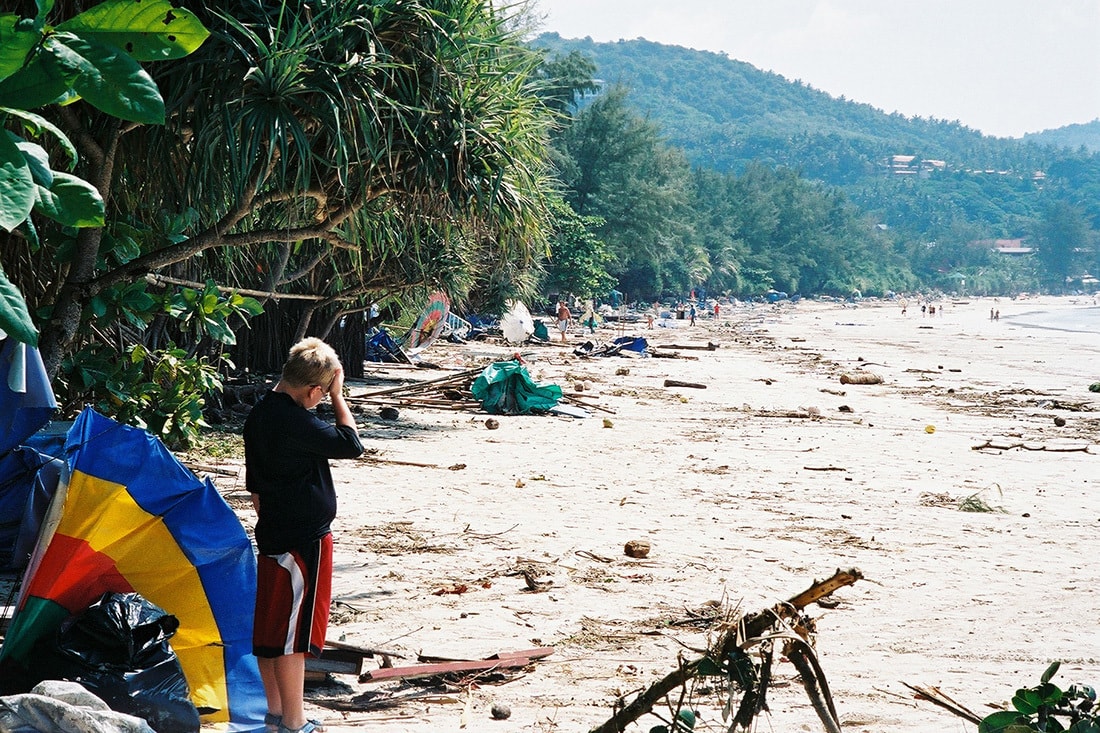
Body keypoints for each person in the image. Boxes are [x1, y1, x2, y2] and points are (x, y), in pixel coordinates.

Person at [244, 338, 364, 733]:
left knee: (270, 629)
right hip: (302, 541)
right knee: (293, 634)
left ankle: (277, 714)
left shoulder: (261, 414)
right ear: (315, 390)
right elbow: (351, 444)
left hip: (275, 534)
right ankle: (295, 723)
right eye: (323, 392)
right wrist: (339, 398)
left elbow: (256, 490)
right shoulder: (296, 421)